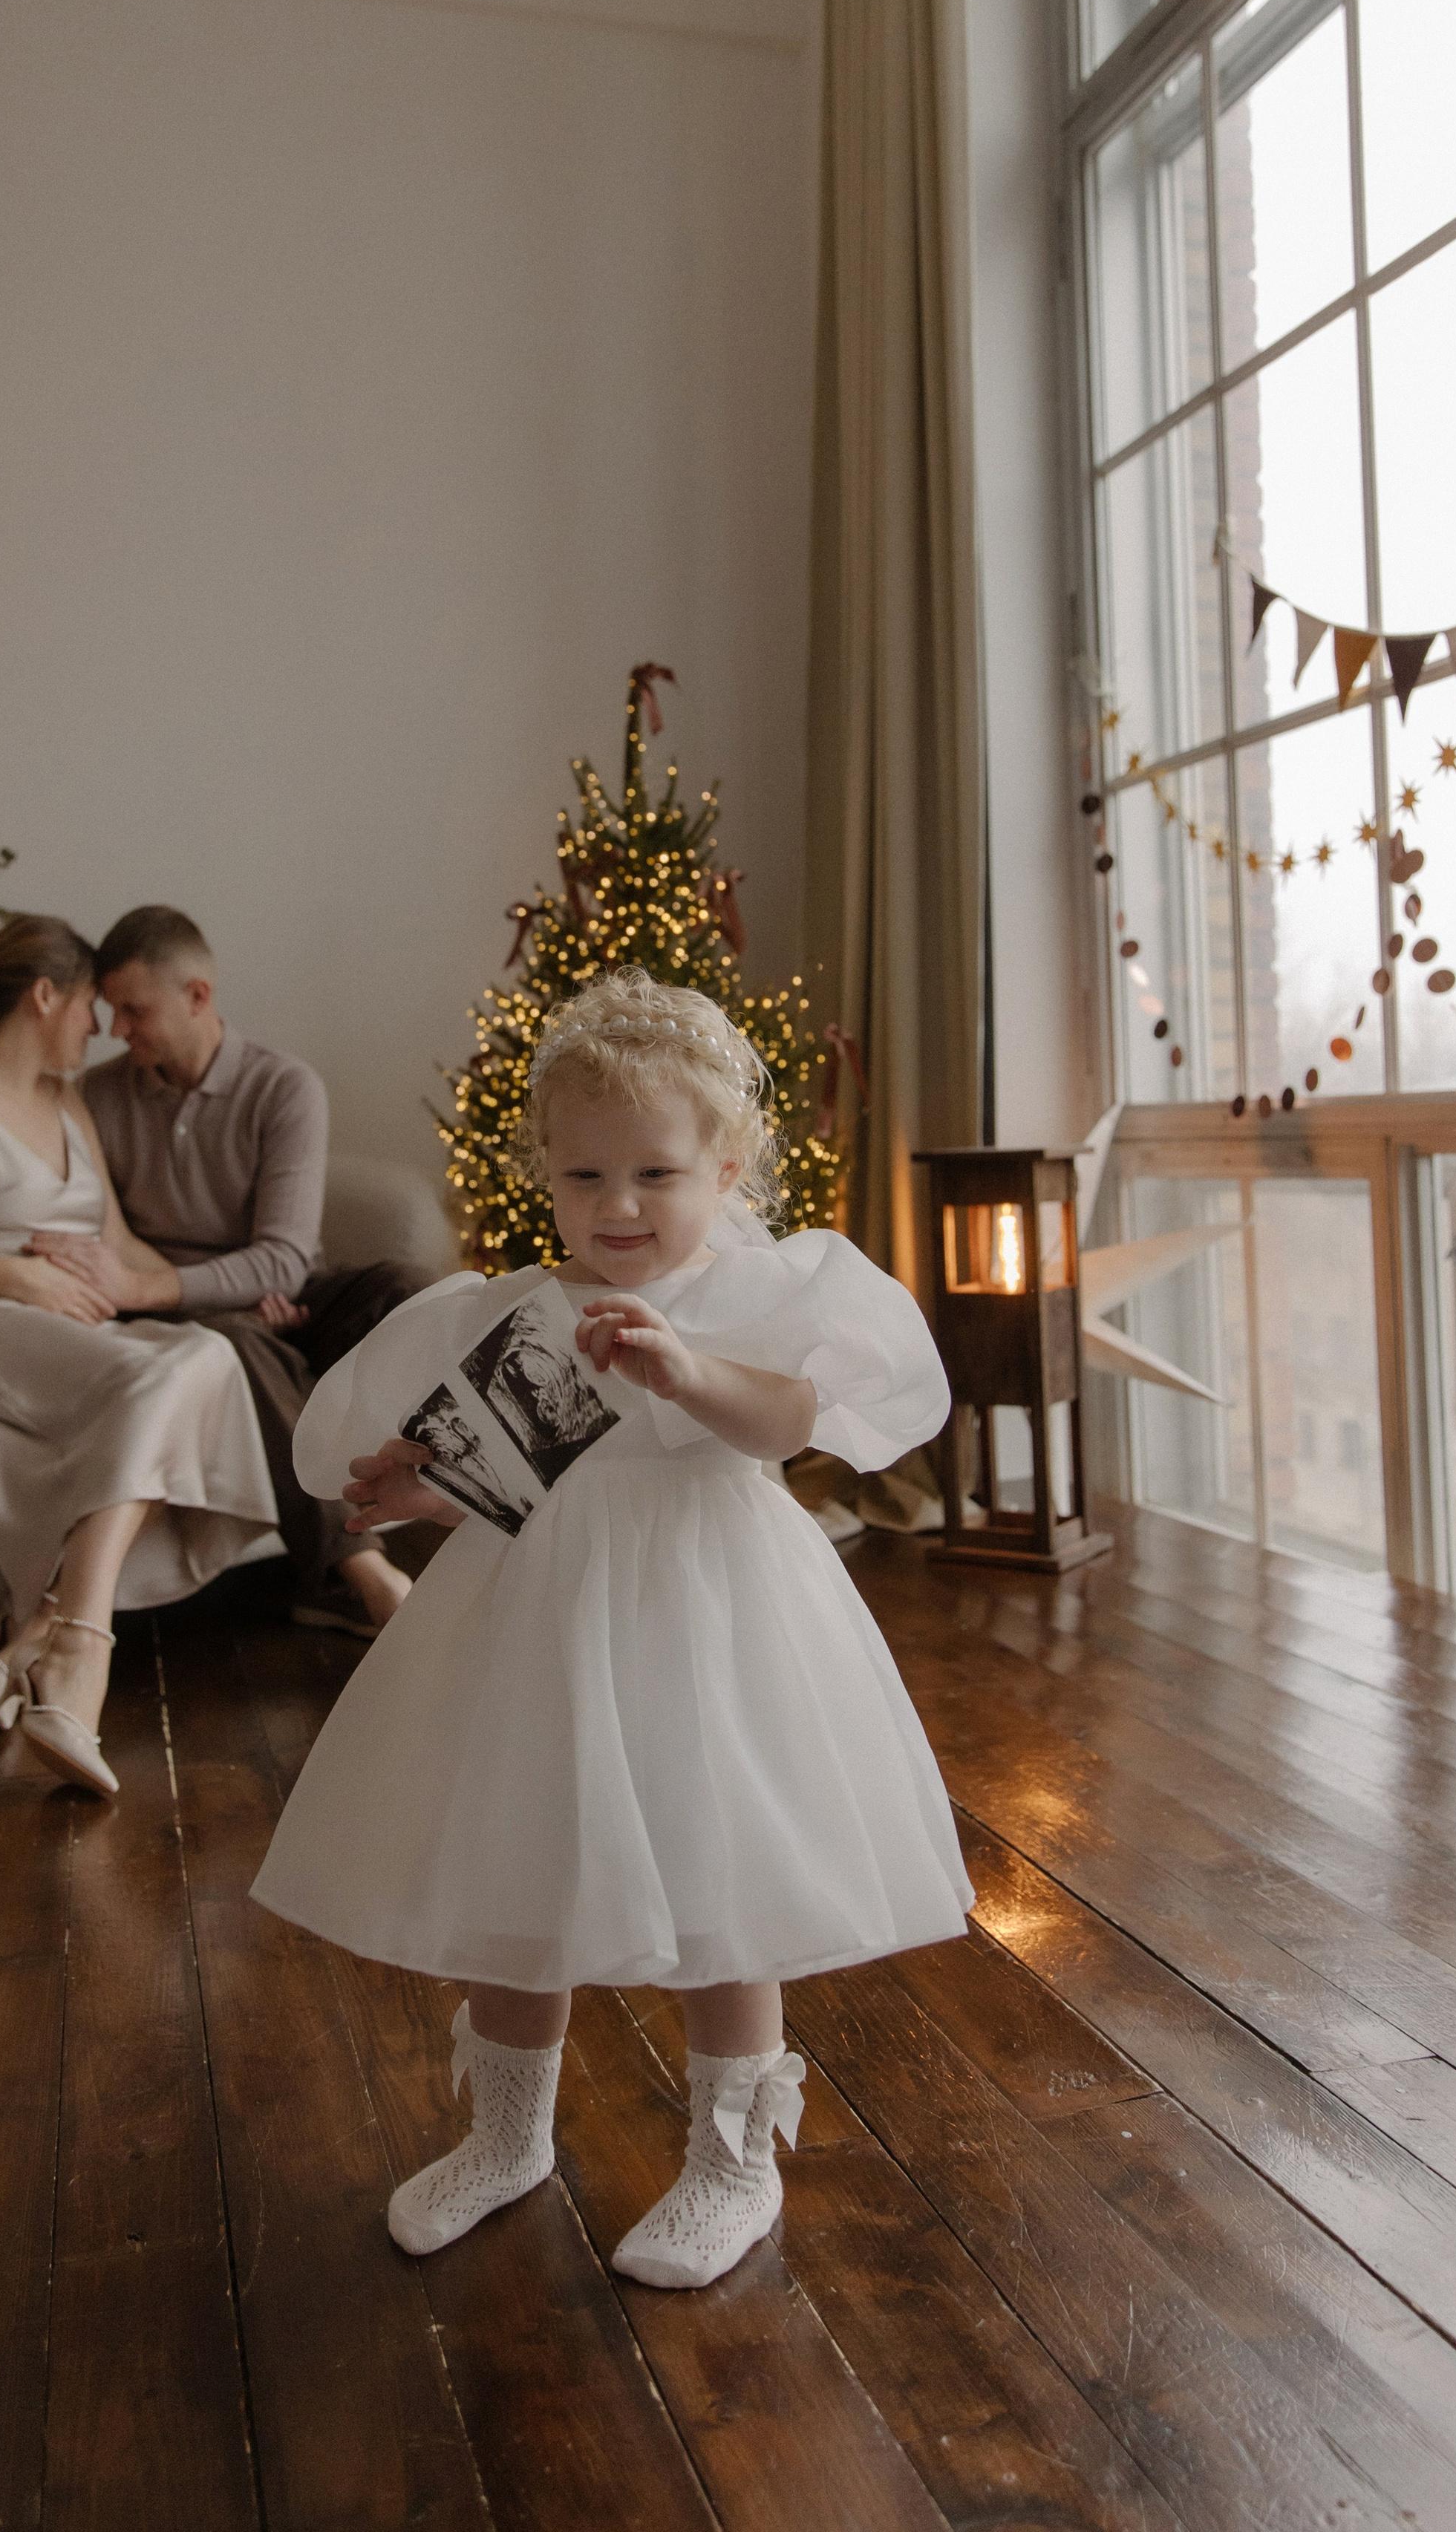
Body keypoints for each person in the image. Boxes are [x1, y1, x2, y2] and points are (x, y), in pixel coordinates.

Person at [250, 967, 973, 2291]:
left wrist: (684, 1366)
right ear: (545, 1171)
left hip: (712, 1606)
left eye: (654, 1174)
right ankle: (506, 2134)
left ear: (729, 1166)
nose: (619, 1208)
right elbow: (518, 1467)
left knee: (724, 1877)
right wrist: (425, 1482)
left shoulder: (758, 1297)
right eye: (585, 1179)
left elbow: (787, 1430)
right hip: (543, 1612)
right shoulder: (513, 1309)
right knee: (519, 1865)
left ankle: (732, 2160)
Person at [0, 916, 275, 1798]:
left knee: (209, 1359)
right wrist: (10, 1276)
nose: (101, 1029)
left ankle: (40, 1628)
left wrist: (232, 1289)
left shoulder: (68, 1104)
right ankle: (80, 1642)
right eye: (89, 1007)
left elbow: (120, 1248)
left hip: (71, 1327)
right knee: (169, 1374)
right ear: (44, 996)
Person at [29, 905, 425, 1638]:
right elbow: (81, 1231)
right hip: (195, 1320)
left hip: (283, 1297)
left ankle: (476, 1509)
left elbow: (281, 1258)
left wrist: (184, 1288)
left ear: (198, 998)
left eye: (134, 1010)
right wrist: (205, 1299)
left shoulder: (284, 1088)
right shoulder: (99, 1099)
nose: (117, 1030)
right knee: (234, 1345)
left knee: (408, 1289)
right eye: (112, 1011)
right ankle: (354, 1569)